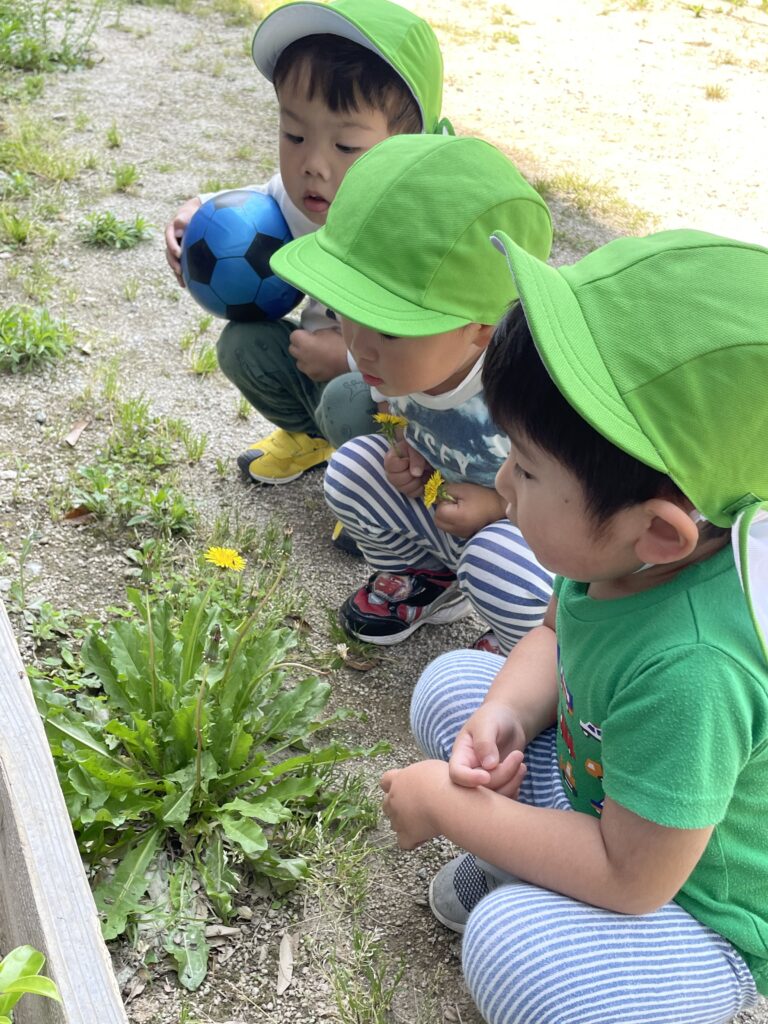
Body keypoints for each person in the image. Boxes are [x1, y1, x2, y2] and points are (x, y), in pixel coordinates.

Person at [380, 229, 768, 1024]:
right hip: (609, 798)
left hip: (691, 903)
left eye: (524, 467)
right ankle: (532, 858)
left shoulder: (694, 669)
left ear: (660, 531)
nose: (498, 480)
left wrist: (455, 811)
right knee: (456, 688)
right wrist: (506, 716)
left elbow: (634, 878)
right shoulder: (623, 552)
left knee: (511, 950)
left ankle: (664, 975)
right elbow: (555, 636)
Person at [271, 133, 555, 652]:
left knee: (500, 565)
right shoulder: (401, 367)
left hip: (521, 535)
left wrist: (495, 506)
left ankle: (531, 652)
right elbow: (396, 420)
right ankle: (427, 580)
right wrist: (408, 457)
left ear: (482, 328)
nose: (360, 348)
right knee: (354, 467)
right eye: (345, 314)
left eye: (391, 329)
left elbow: (572, 507)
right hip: (445, 510)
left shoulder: (526, 391)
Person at [164, 0, 448, 488]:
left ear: (409, 144)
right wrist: (202, 208)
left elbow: (448, 348)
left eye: (345, 147)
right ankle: (312, 437)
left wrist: (351, 357)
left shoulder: (425, 234)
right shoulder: (309, 194)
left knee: (349, 396)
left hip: (406, 398)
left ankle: (384, 495)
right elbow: (262, 198)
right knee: (243, 345)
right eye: (294, 134)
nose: (313, 163)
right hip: (319, 362)